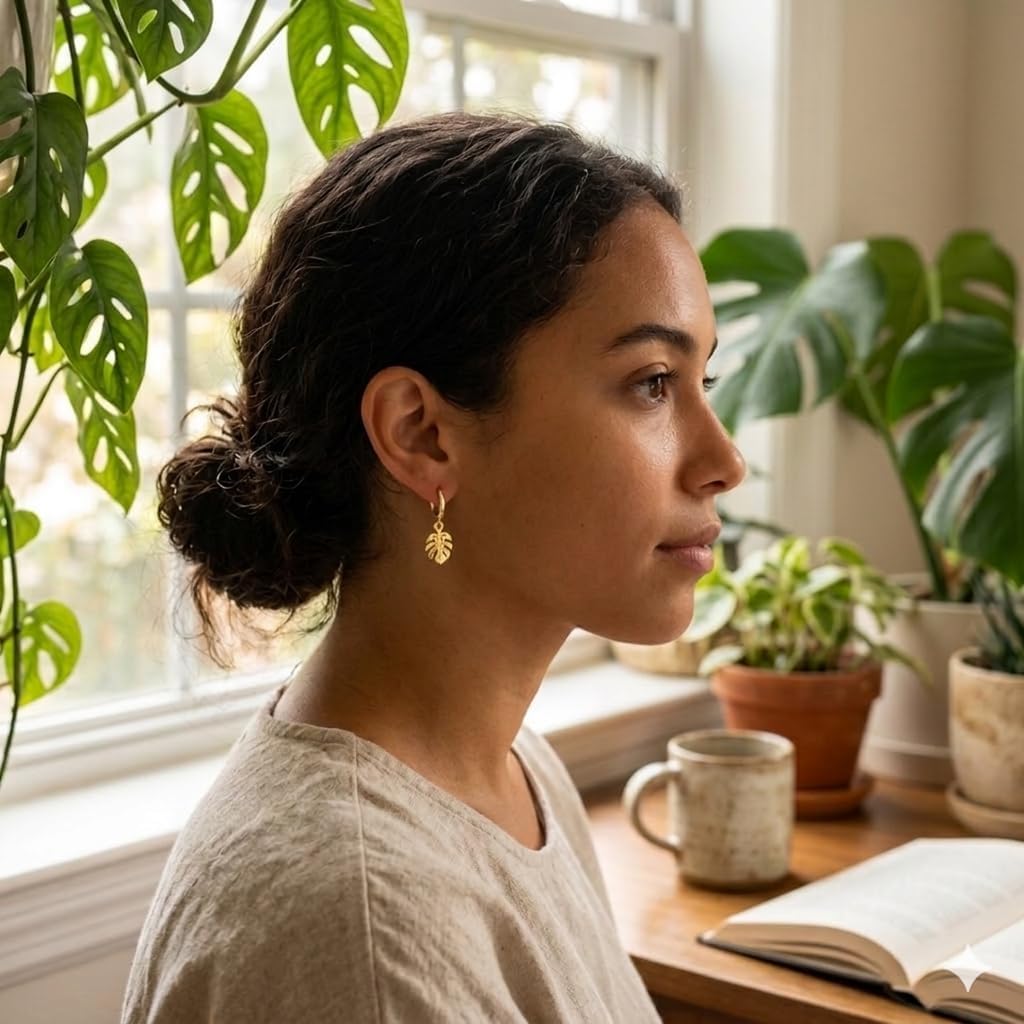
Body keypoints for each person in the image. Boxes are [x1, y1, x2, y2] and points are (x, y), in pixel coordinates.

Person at [120, 109, 746, 1023]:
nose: (723, 459)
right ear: (421, 432)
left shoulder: (513, 774)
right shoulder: (360, 930)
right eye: (652, 383)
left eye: (704, 385)